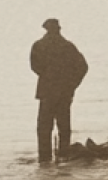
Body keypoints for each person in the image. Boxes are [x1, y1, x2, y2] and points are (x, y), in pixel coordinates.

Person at [30, 18, 88, 163]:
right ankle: (63, 156)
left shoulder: (40, 45)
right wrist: (72, 84)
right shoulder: (67, 46)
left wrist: (48, 75)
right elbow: (82, 67)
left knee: (45, 126)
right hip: (63, 91)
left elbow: (35, 66)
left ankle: (45, 159)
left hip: (49, 91)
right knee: (63, 125)